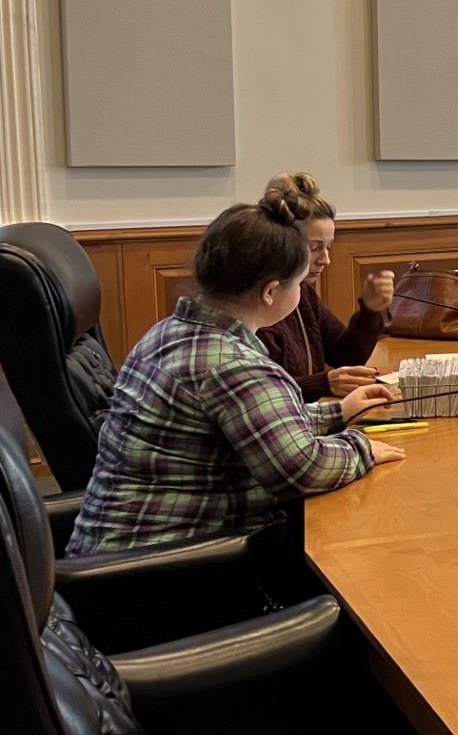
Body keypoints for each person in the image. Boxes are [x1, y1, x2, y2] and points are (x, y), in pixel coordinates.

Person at [66, 193, 406, 556]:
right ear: (271, 292)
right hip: (166, 566)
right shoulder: (235, 365)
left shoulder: (167, 332)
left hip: (114, 552)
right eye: (299, 283)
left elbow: (257, 420)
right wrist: (361, 447)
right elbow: (303, 470)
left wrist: (338, 411)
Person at [256, 172, 395, 399]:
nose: (326, 260)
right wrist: (322, 384)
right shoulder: (254, 303)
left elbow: (346, 356)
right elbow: (259, 392)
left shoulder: (304, 294)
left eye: (328, 247)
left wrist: (370, 311)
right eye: (314, 248)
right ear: (283, 244)